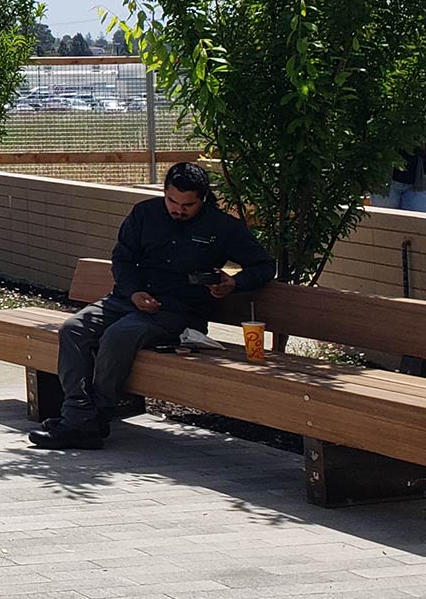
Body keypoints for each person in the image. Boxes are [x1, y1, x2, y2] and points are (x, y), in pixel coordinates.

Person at [29, 161, 273, 450]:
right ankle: (81, 417)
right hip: (126, 300)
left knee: (119, 335)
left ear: (203, 199)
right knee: (73, 329)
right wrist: (133, 293)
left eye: (188, 205)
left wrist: (233, 283)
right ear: (164, 192)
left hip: (179, 312)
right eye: (172, 200)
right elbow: (122, 260)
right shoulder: (144, 214)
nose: (178, 209)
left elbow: (265, 266)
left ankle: (88, 420)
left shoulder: (222, 227)